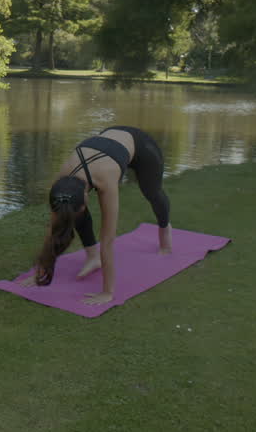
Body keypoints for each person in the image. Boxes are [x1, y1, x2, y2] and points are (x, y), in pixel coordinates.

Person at [17, 125, 173, 305]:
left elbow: (107, 240)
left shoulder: (106, 180)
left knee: (152, 193)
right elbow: (53, 229)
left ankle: (165, 228)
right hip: (104, 149)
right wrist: (40, 272)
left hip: (140, 146)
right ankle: (93, 258)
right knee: (70, 212)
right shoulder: (60, 186)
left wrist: (107, 292)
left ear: (86, 196)